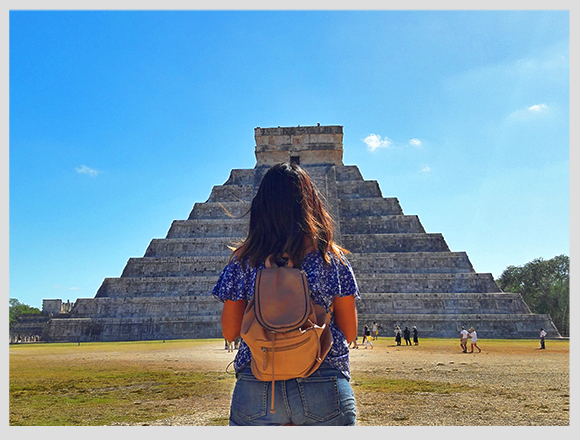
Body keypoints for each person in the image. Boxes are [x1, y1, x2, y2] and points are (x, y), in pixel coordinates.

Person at [212, 162, 359, 426]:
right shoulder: (332, 259)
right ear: (311, 204)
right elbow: (349, 333)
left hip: (259, 380)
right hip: (324, 380)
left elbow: (230, 331)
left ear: (261, 206)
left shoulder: (243, 261)